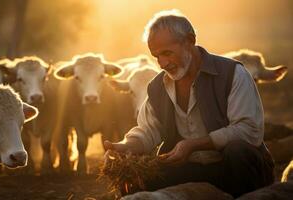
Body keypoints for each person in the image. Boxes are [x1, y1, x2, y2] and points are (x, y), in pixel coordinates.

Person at [104, 9, 274, 198]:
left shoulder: (233, 74)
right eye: (156, 56)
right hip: (188, 169)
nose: (162, 63)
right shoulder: (157, 86)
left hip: (234, 167)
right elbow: (148, 130)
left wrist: (193, 145)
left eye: (167, 53)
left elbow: (248, 130)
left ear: (190, 41)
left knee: (238, 151)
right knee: (138, 175)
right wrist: (125, 146)